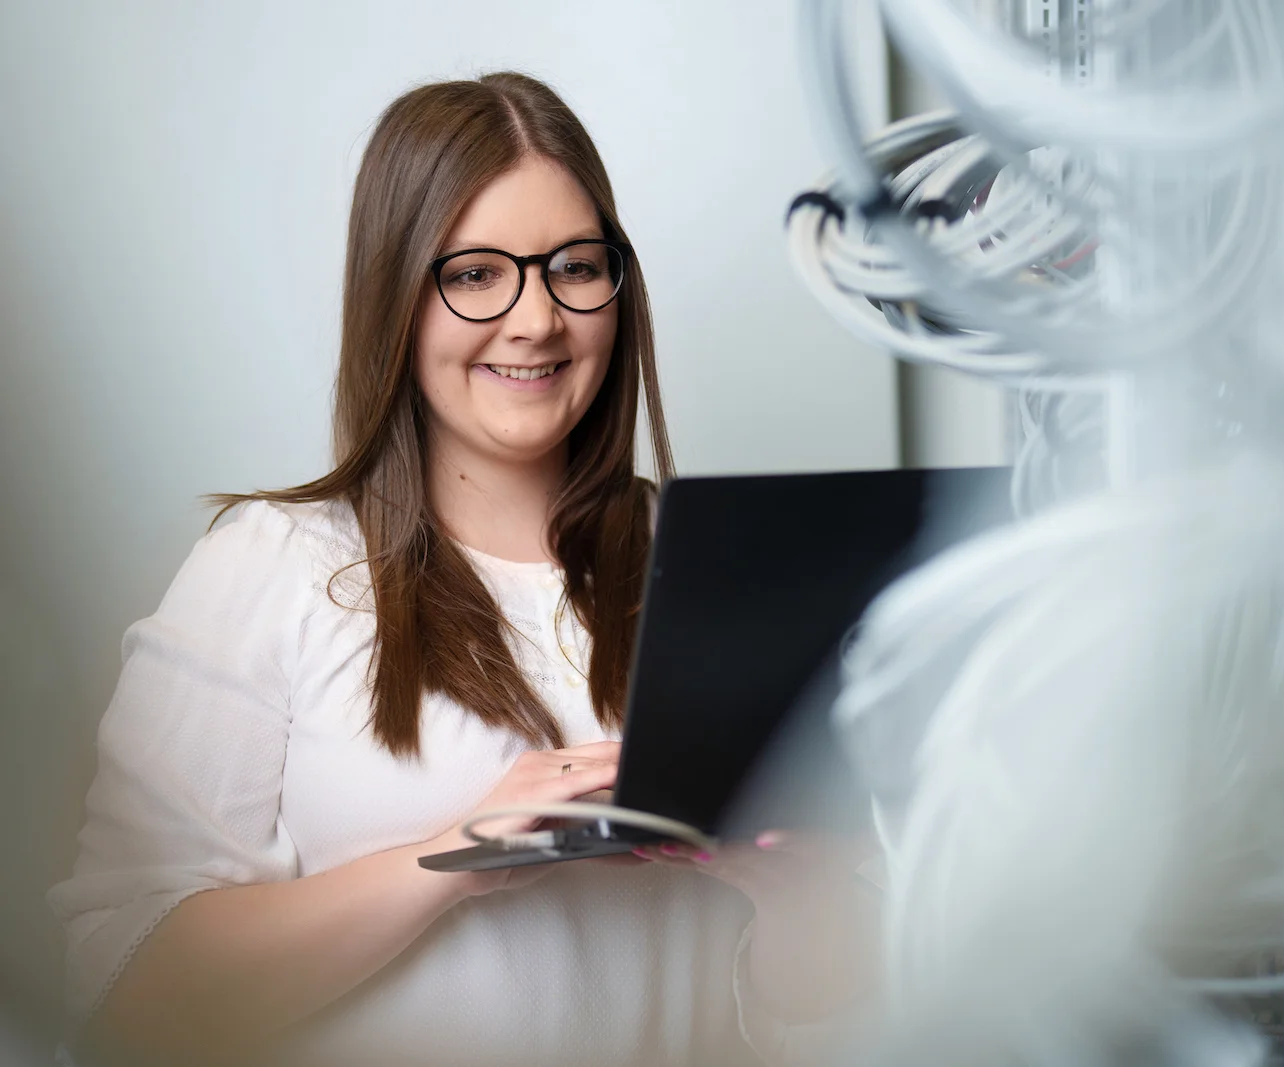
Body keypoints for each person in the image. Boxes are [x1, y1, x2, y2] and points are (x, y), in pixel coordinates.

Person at [47, 72, 876, 1067]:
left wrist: (801, 897)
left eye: (575, 266)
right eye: (477, 274)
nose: (536, 319)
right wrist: (455, 859)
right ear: (395, 295)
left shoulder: (721, 566)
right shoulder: (273, 567)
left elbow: (807, 1013)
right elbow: (120, 990)